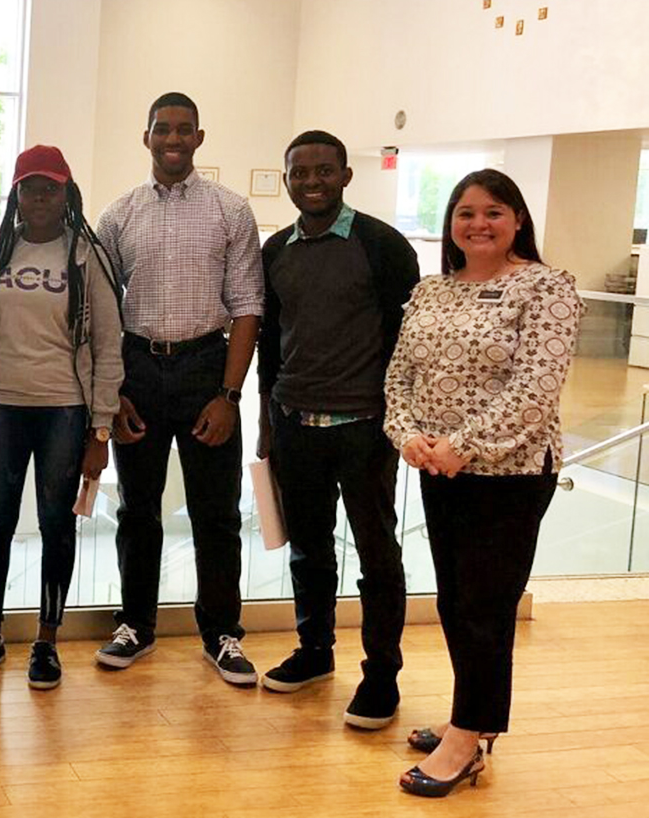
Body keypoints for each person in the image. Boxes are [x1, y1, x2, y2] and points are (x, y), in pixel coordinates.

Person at [384, 169, 581, 797]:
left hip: (510, 473)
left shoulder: (546, 288)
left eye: (493, 211)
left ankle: (468, 738)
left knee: (485, 607)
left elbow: (536, 389)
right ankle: (469, 717)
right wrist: (408, 434)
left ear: (517, 219)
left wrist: (462, 446)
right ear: (451, 225)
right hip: (439, 469)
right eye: (465, 213)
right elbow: (399, 376)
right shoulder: (432, 291)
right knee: (455, 601)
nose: (478, 224)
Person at [93, 92, 264, 684]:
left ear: (199, 137)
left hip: (205, 372)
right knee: (137, 509)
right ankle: (135, 626)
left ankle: (222, 635)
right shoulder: (118, 216)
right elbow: (100, 313)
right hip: (137, 369)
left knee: (216, 513)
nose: (173, 139)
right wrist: (111, 392)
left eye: (183, 130)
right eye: (162, 129)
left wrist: (230, 395)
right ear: (146, 137)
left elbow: (247, 308)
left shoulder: (230, 211)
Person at [255, 130, 419, 728]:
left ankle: (381, 676)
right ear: (287, 179)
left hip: (366, 428)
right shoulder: (275, 250)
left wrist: (401, 419)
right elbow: (270, 343)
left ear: (346, 176)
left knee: (377, 554)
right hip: (296, 422)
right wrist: (267, 418)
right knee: (308, 548)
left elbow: (408, 341)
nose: (312, 182)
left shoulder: (382, 245)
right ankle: (315, 651)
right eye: (300, 173)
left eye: (325, 171)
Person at [0, 145, 122, 690]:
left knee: (56, 525)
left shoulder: (85, 257)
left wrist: (102, 428)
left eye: (51, 188)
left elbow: (108, 344)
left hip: (64, 412)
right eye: (30, 187)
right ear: (16, 194)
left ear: (67, 193)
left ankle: (46, 641)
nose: (40, 197)